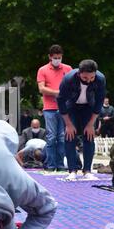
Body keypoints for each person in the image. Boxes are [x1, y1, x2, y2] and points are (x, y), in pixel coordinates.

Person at [57, 59, 106, 181]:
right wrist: (68, 124)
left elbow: (99, 102)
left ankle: (87, 170)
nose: (88, 81)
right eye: (85, 78)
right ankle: (72, 171)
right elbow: (60, 100)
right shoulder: (68, 79)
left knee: (89, 136)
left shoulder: (100, 79)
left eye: (91, 78)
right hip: (71, 107)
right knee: (70, 136)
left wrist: (91, 124)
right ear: (79, 73)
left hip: (88, 108)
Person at [37, 44, 72, 172]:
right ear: (50, 57)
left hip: (65, 108)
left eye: (59, 57)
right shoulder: (43, 70)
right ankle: (51, 165)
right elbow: (41, 88)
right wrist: (57, 93)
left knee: (62, 137)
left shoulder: (68, 69)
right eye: (55, 57)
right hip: (49, 108)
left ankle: (61, 165)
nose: (57, 59)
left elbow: (73, 86)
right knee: (51, 137)